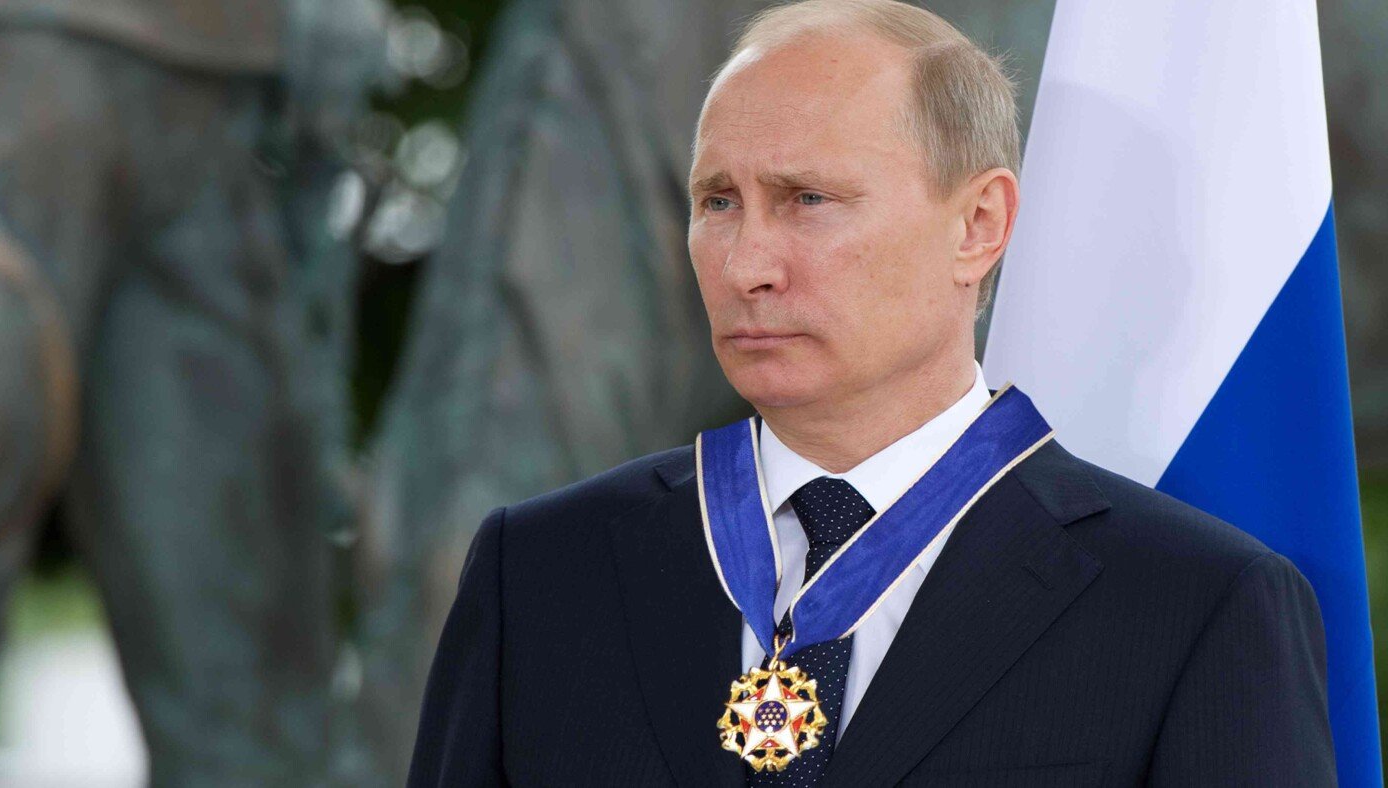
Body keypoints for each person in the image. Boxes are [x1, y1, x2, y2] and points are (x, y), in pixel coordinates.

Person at [406, 1, 1336, 785]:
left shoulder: (1194, 606)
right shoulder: (540, 572)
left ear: (978, 226)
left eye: (807, 199)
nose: (747, 264)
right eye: (718, 201)